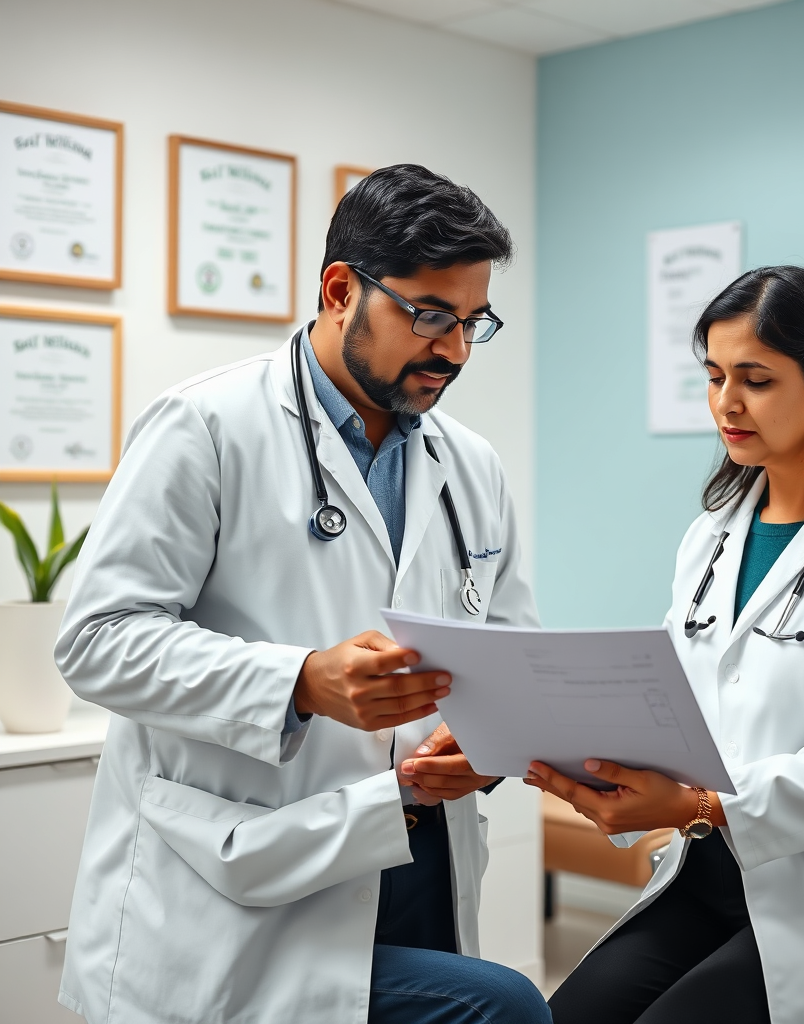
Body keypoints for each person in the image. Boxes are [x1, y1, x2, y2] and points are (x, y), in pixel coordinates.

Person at [54, 164, 551, 1024]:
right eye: (431, 316)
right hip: (241, 877)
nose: (456, 351)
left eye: (475, 322)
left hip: (414, 851)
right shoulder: (205, 427)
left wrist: (489, 743)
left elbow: (510, 647)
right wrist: (299, 680)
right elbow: (98, 640)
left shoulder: (470, 464)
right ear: (338, 291)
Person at [529, 266, 804, 1024]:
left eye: (756, 379)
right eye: (713, 376)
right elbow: (678, 701)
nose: (725, 404)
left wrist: (703, 802)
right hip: (715, 871)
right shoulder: (712, 534)